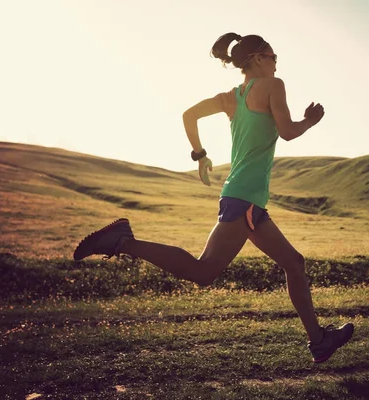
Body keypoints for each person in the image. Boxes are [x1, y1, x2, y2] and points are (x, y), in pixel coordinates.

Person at [73, 33, 354, 363]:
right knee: (203, 272)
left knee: (294, 263)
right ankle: (123, 241)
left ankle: (319, 340)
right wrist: (310, 120)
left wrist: (200, 155)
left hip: (243, 198)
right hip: (245, 198)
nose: (277, 62)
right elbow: (289, 132)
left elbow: (188, 115)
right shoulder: (273, 86)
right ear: (258, 58)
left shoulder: (230, 97)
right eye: (274, 55)